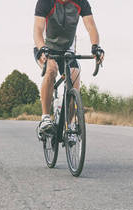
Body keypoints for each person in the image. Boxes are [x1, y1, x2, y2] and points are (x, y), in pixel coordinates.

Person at [33, 0, 104, 134]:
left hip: (67, 50)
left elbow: (91, 26)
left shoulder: (81, 2)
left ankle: (69, 125)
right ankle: (45, 118)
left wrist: (96, 47)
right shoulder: (45, 2)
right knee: (51, 70)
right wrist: (42, 48)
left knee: (74, 81)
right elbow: (37, 29)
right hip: (45, 48)